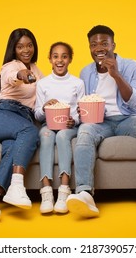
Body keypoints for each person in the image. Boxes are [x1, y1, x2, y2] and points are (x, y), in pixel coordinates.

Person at [66, 25, 136, 217]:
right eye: (93, 44)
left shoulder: (133, 66)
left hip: (129, 119)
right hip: (100, 122)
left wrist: (116, 75)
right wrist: (81, 111)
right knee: (84, 131)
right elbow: (83, 102)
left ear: (113, 45)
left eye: (104, 43)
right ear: (89, 48)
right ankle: (85, 193)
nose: (98, 48)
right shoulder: (85, 72)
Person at [0, 28, 44, 221]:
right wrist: (23, 75)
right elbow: (14, 75)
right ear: (14, 49)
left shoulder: (38, 70)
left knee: (13, 149)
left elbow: (44, 94)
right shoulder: (10, 66)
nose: (26, 50)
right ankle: (17, 186)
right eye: (20, 46)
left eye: (29, 45)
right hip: (0, 115)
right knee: (29, 131)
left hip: (21, 120)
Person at [34, 42, 85, 214]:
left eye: (64, 56)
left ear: (70, 59)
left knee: (63, 136)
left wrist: (75, 120)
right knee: (47, 135)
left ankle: (64, 191)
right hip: (48, 124)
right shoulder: (43, 84)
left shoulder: (77, 83)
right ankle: (47, 193)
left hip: (68, 127)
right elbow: (37, 115)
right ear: (50, 59)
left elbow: (82, 111)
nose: (60, 60)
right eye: (55, 56)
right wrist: (43, 107)